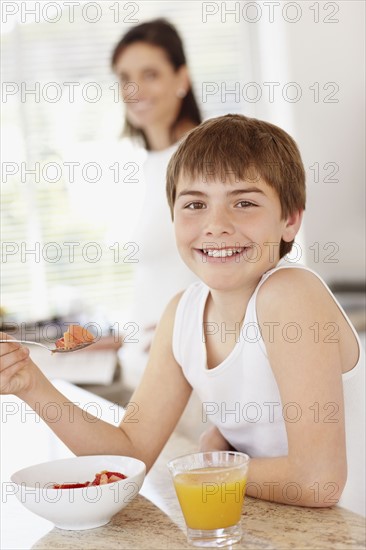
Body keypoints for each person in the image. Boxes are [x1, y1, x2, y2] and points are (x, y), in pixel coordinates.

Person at [1, 114, 364, 509]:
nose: (216, 225)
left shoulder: (291, 294)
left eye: (244, 202)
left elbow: (318, 481)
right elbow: (130, 456)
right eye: (194, 204)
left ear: (289, 220)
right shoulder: (183, 315)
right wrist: (31, 385)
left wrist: (213, 464)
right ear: (173, 216)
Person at [109, 19, 202, 388]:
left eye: (150, 74)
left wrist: (178, 331)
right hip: (144, 365)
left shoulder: (202, 160)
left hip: (187, 369)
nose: (134, 89)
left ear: (182, 78)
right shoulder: (150, 163)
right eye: (124, 77)